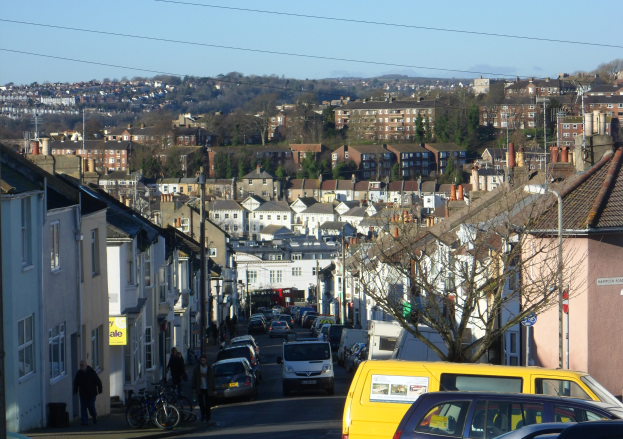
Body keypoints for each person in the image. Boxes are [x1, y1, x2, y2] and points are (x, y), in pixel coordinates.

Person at [73, 360, 103, 426]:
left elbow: (98, 381)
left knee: (91, 406)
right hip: (83, 393)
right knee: (83, 408)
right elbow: (76, 383)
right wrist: (75, 391)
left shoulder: (91, 372)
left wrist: (100, 389)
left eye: (82, 365)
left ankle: (94, 415)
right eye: (80, 365)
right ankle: (85, 422)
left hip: (91, 393)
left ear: (86, 365)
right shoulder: (79, 373)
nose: (81, 366)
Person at [191, 355, 216, 424]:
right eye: (201, 360)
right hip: (200, 388)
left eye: (204, 360)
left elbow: (213, 380)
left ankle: (208, 417)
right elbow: (194, 379)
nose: (202, 362)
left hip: (208, 388)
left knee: (208, 404)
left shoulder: (210, 369)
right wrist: (194, 388)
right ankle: (203, 415)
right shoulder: (196, 369)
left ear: (206, 360)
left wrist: (214, 389)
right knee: (201, 403)